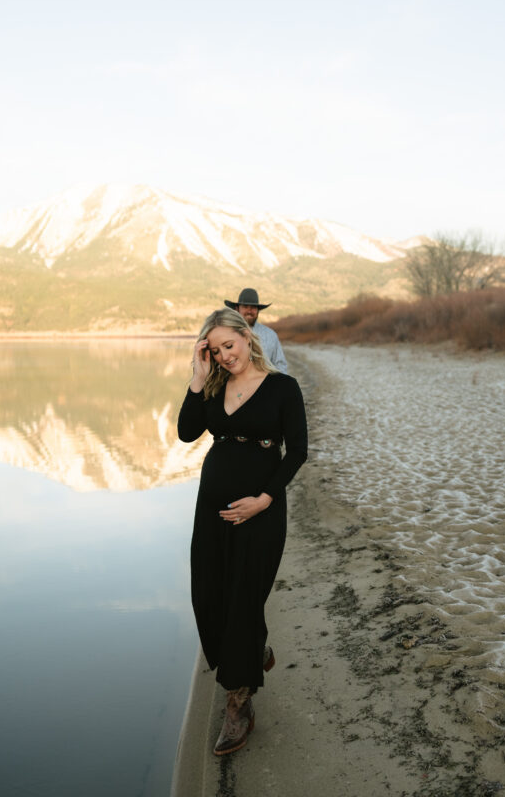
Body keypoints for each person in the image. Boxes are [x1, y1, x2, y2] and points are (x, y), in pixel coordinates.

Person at [177, 307, 307, 756]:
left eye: (228, 346)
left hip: (262, 510)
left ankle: (238, 704)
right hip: (212, 509)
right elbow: (186, 432)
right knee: (209, 596)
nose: (225, 356)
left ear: (247, 337)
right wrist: (198, 376)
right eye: (214, 351)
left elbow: (297, 452)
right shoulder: (212, 386)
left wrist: (264, 500)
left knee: (242, 602)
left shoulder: (283, 388)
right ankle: (254, 647)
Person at [224, 287, 288, 373]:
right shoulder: (225, 334)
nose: (249, 311)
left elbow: (280, 365)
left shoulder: (270, 335)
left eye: (253, 307)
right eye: (245, 306)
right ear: (237, 309)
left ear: (258, 310)